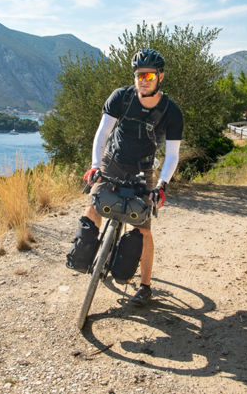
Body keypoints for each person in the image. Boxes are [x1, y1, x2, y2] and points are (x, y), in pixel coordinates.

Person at [80, 48, 183, 307]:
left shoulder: (172, 112)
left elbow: (172, 154)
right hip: (112, 160)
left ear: (160, 76)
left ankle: (145, 287)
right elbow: (102, 133)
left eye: (149, 76)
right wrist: (95, 165)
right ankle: (85, 255)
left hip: (143, 169)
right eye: (139, 75)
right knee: (93, 205)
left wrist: (161, 185)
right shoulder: (121, 97)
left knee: (143, 229)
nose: (143, 80)